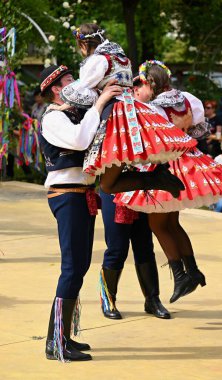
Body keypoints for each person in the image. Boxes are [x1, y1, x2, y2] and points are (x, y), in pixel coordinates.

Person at [114, 62, 222, 303]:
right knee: (172, 222)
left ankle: (181, 275)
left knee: (158, 224)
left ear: (149, 83)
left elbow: (153, 140)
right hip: (188, 161)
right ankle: (192, 270)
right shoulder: (187, 98)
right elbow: (197, 130)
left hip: (165, 164)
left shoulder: (153, 107)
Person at [50, 23, 196, 197]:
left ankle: (156, 179)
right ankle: (157, 178)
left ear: (84, 44)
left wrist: (62, 107)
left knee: (108, 185)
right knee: (108, 183)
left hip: (115, 114)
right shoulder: (121, 57)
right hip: (131, 110)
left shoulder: (98, 60)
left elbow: (83, 88)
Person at [39, 64, 122, 362]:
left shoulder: (73, 115)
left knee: (81, 266)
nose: (76, 83)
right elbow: (79, 140)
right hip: (67, 195)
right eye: (70, 80)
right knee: (72, 267)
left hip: (82, 194)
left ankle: (62, 336)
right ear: (57, 89)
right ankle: (55, 342)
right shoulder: (52, 118)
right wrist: (99, 103)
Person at [99, 77, 171, 320]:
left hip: (142, 186)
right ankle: (108, 300)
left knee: (144, 246)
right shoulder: (110, 115)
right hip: (116, 188)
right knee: (117, 248)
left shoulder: (149, 114)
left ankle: (153, 299)